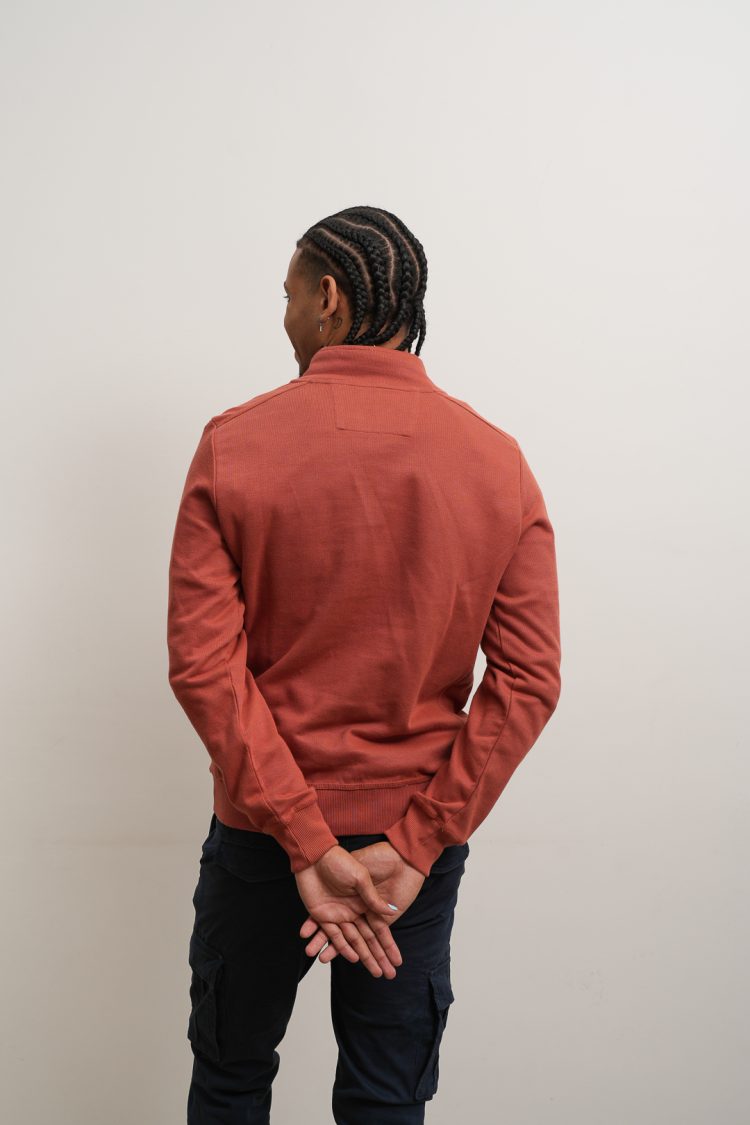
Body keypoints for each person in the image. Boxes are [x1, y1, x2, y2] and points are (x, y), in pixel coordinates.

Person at [167, 204, 562, 1124]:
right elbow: (529, 678)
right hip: (410, 846)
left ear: (329, 297)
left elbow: (203, 664)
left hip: (265, 835)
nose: (285, 318)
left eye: (288, 296)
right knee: (387, 1096)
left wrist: (304, 839)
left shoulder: (235, 444)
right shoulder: (497, 462)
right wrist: (420, 843)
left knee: (230, 1076)